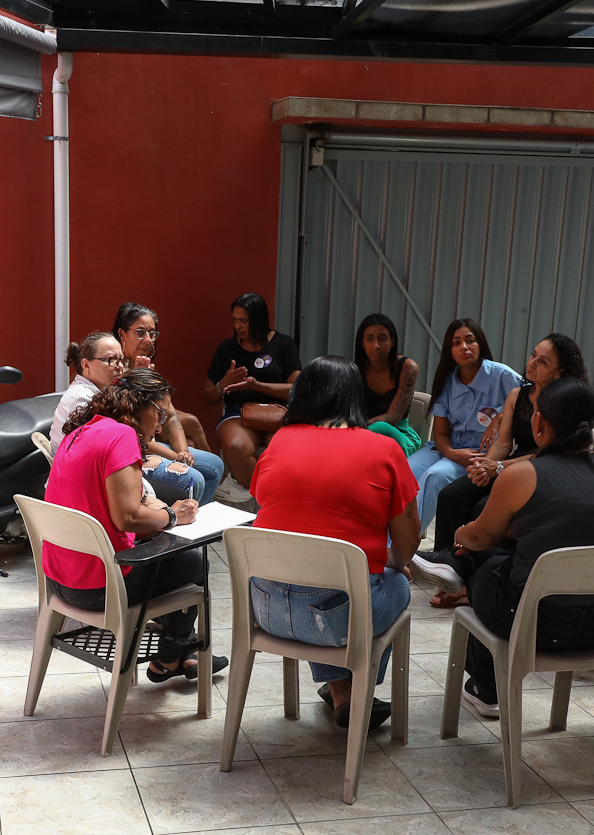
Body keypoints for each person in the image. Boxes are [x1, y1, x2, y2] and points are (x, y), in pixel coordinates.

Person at [423, 378, 594, 718]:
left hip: (538, 625)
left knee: (486, 562)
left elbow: (480, 536)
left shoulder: (523, 474)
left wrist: (460, 537)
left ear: (538, 423)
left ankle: (486, 685)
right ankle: (452, 565)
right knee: (510, 556)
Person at [247, 356, 419, 730]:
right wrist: (391, 560)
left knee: (320, 577)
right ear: (355, 398)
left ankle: (341, 692)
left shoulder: (279, 442)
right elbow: (408, 542)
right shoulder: (384, 449)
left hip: (265, 609)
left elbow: (262, 500)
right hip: (336, 620)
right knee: (396, 584)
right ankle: (358, 689)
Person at [46, 369, 226, 682]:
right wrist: (173, 515)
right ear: (138, 405)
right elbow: (127, 518)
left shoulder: (81, 430)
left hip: (61, 579)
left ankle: (179, 656)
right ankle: (172, 655)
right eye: (160, 414)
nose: (160, 424)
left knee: (165, 554)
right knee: (193, 564)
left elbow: (109, 501)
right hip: (99, 588)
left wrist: (150, 508)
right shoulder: (123, 436)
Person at [414, 332, 588, 605]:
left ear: (560, 372)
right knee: (451, 495)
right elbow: (504, 442)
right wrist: (485, 464)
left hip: (536, 471)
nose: (532, 363)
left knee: (483, 507)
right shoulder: (518, 394)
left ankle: (470, 582)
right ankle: (448, 570)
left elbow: (547, 454)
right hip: (506, 465)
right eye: (533, 355)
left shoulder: (562, 403)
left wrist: (497, 467)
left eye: (543, 361)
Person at [405, 318, 520, 532]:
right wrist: (451, 452)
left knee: (435, 476)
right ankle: (387, 543)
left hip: (479, 454)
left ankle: (404, 547)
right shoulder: (447, 380)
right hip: (447, 447)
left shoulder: (503, 376)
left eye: (470, 340)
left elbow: (531, 399)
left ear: (481, 344)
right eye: (456, 343)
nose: (464, 347)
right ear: (450, 350)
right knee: (407, 471)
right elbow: (439, 433)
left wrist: (499, 418)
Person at [111, 303, 226, 503]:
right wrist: (176, 456)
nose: (147, 340)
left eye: (152, 334)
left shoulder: (146, 368)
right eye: (140, 333)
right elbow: (137, 437)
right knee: (197, 474)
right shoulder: (113, 370)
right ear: (122, 334)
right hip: (131, 451)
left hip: (151, 442)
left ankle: (198, 521)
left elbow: (170, 414)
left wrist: (183, 452)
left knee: (214, 463)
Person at [203, 292, 302, 493]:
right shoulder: (227, 348)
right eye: (235, 320)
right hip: (238, 413)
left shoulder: (283, 344)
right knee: (234, 445)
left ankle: (277, 498)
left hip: (278, 412)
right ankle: (264, 496)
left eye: (244, 321)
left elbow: (297, 390)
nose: (238, 326)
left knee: (285, 447)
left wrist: (257, 386)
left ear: (259, 320)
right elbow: (207, 396)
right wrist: (223, 384)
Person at [354, 313, 421, 456]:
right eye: (370, 339)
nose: (376, 345)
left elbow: (393, 417)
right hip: (360, 433)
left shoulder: (407, 367)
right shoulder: (354, 370)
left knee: (381, 428)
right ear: (362, 343)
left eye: (382, 339)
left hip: (397, 433)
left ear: (392, 341)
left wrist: (357, 431)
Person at [51, 331, 126, 449]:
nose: (120, 367)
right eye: (112, 360)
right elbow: (83, 452)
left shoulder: (99, 392)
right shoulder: (81, 399)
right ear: (86, 365)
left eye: (121, 360)